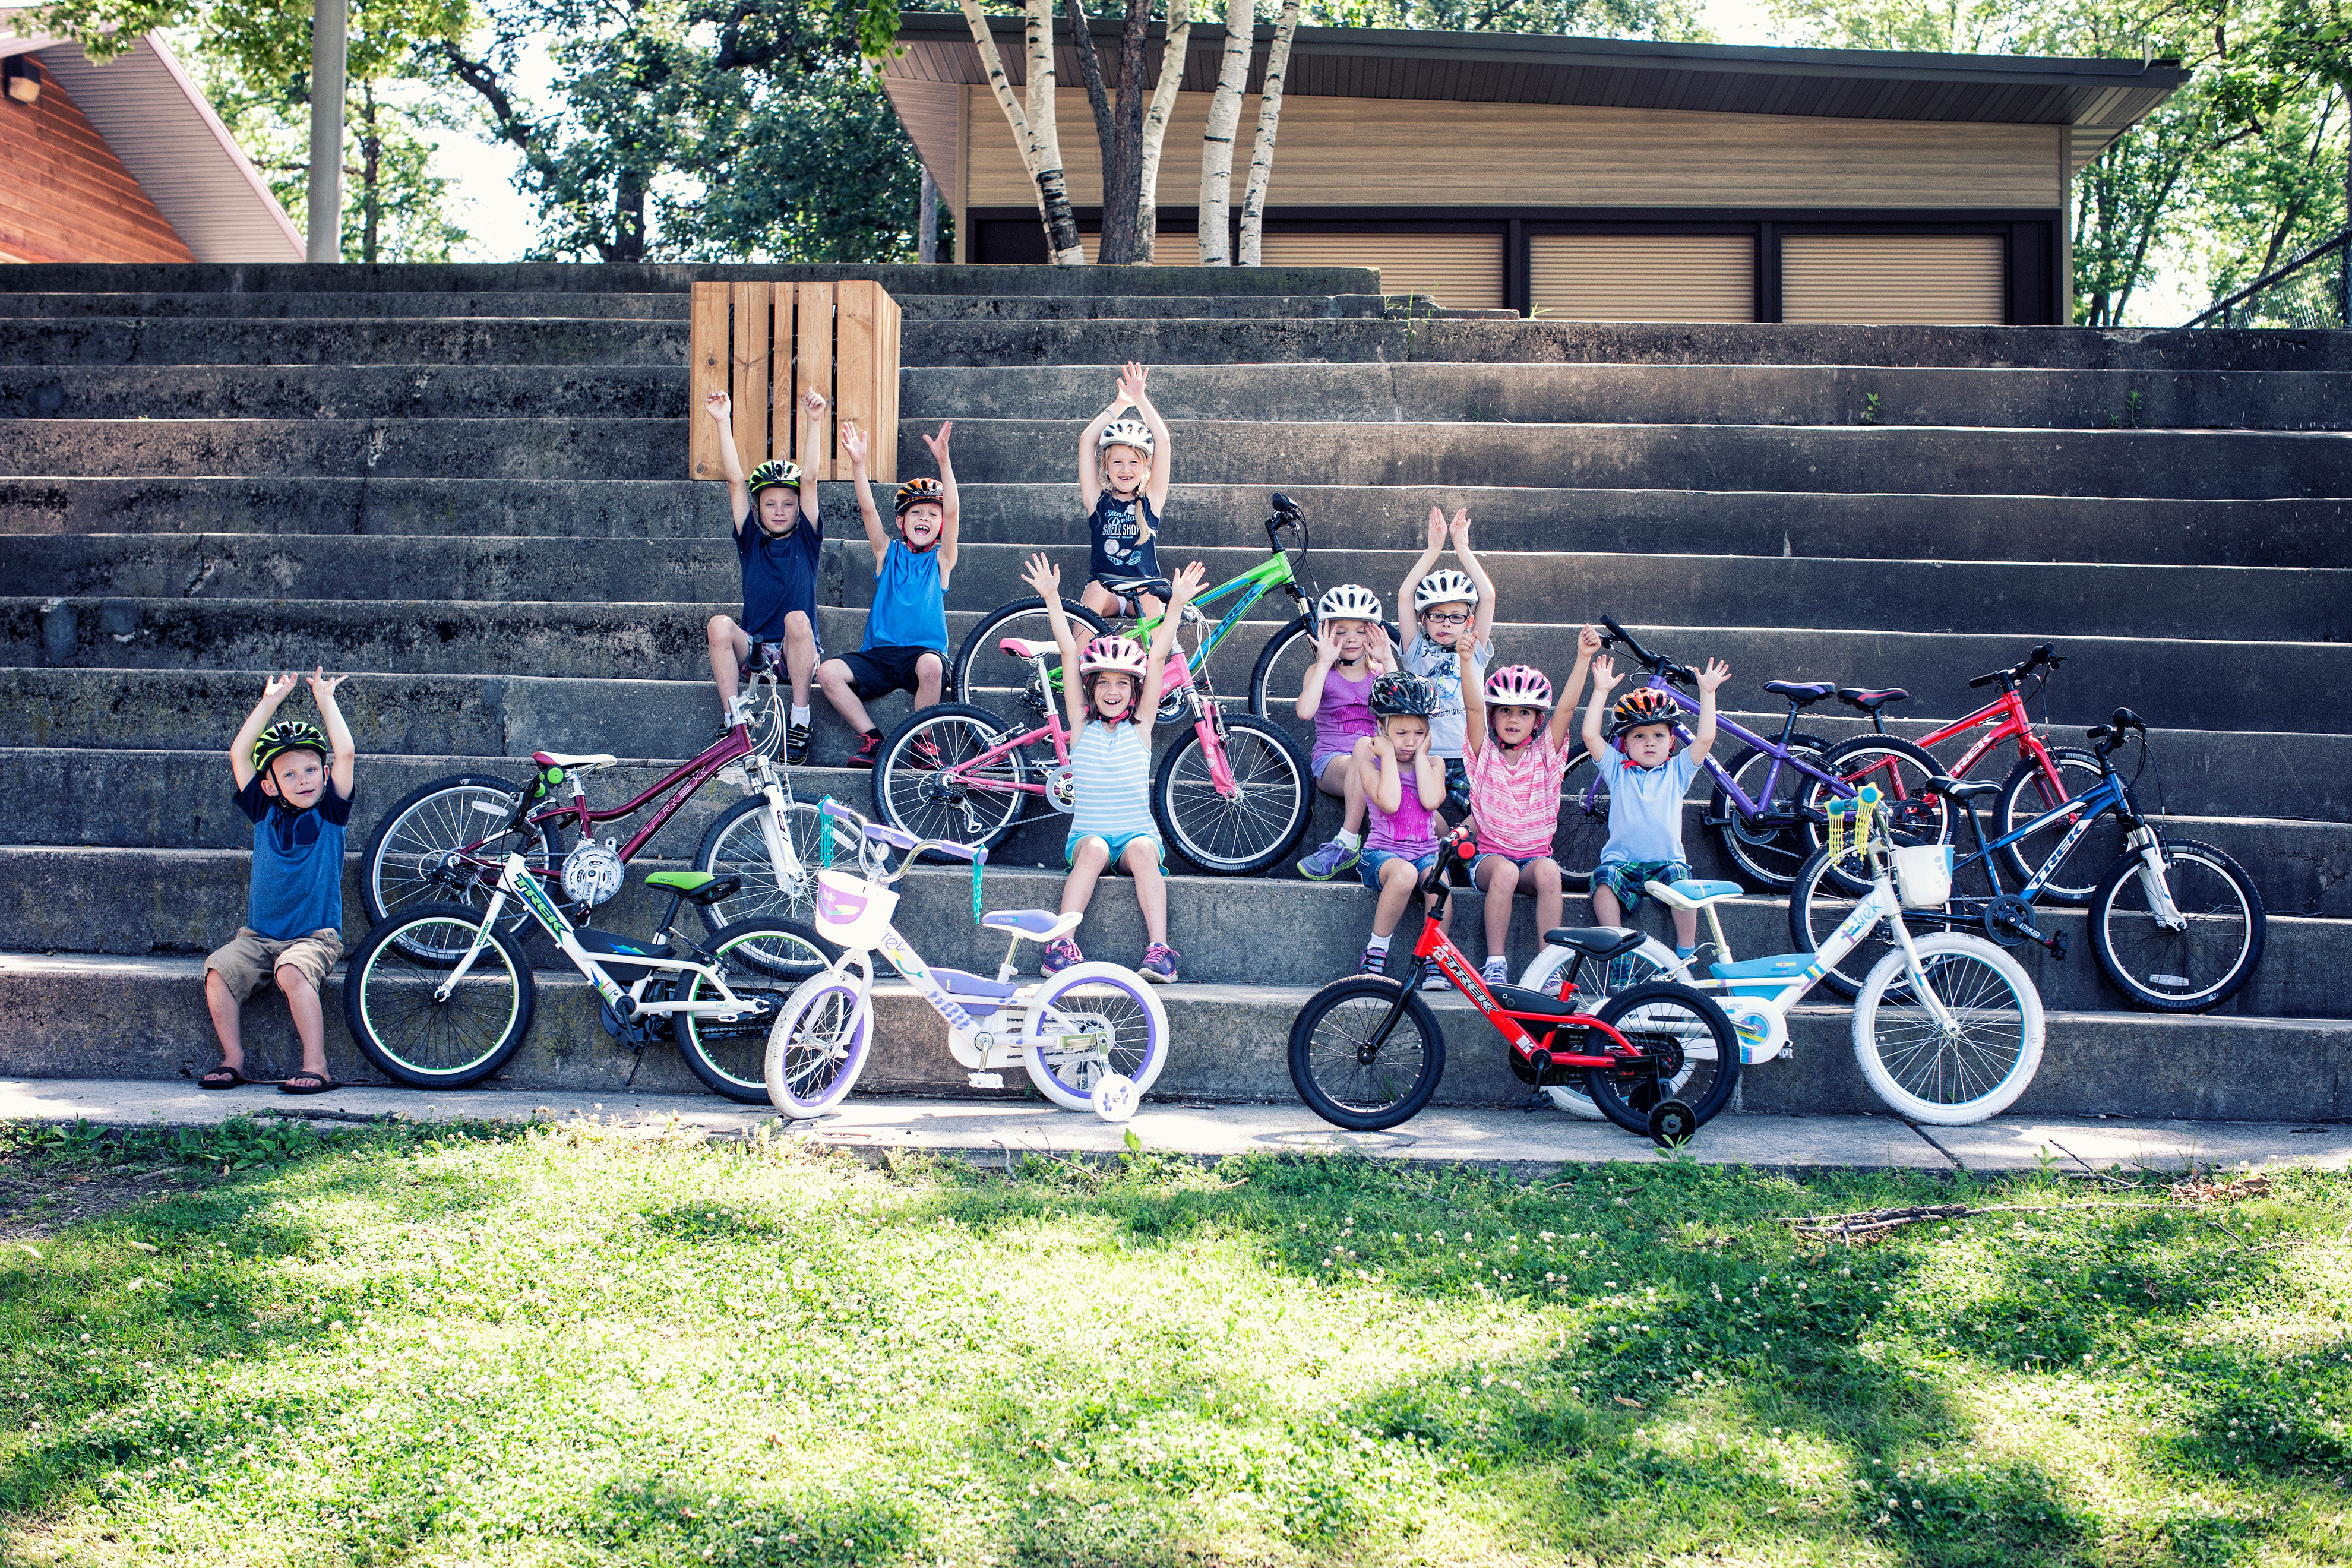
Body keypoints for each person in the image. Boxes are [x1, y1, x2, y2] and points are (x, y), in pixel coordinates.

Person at [1020, 551, 1206, 984]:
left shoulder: (1141, 727)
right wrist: (1052, 598)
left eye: (1122, 682)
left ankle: (1160, 950)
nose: (1112, 690)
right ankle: (1062, 944)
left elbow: (1157, 659)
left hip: (1135, 833)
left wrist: (1175, 605)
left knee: (1143, 850)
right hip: (1089, 835)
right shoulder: (1081, 726)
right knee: (1096, 851)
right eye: (1103, 681)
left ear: (1135, 691)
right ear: (1090, 688)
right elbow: (1070, 652)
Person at [201, 668, 357, 1095]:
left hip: (314, 938)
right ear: (269, 785)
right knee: (218, 969)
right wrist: (270, 701)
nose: (303, 779)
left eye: (310, 769)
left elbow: (345, 755)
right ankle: (234, 1059)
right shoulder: (264, 811)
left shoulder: (330, 814)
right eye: (289, 775)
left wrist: (325, 699)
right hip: (257, 938)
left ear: (324, 775)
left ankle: (316, 1065)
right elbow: (239, 754)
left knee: (291, 971)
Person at [1458, 629, 1601, 989]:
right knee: (1505, 872)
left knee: (1551, 872)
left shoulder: (1547, 756)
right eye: (1505, 710)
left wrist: (1583, 657)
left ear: (1537, 721)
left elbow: (1567, 708)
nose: (1513, 718)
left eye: (1524, 712)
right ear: (1494, 718)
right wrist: (1465, 661)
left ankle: (1549, 966)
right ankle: (1495, 963)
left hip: (1534, 860)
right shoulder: (1484, 756)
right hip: (1490, 861)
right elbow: (1474, 706)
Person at [815, 417, 960, 768]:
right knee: (827, 673)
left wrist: (944, 461)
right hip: (878, 657)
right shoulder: (888, 553)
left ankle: (922, 741)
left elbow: (954, 511)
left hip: (921, 656)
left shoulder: (942, 560)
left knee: (931, 665)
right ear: (901, 522)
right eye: (916, 513)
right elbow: (867, 509)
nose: (924, 518)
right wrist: (859, 464)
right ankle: (874, 740)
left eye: (932, 514)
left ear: (940, 524)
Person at [703, 387, 825, 764]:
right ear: (758, 509)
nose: (779, 510)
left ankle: (799, 721)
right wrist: (723, 422)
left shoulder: (807, 539)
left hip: (796, 652)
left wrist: (814, 422)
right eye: (770, 504)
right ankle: (733, 720)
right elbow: (736, 483)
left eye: (787, 504)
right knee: (719, 625)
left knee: (797, 618)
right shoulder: (751, 541)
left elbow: (809, 482)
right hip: (754, 651)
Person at [1582, 651, 1731, 961]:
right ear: (1625, 744)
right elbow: (1589, 735)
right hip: (1622, 864)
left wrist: (1708, 693)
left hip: (1666, 863)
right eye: (1639, 736)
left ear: (1672, 742)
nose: (1650, 742)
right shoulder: (1617, 768)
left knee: (1684, 886)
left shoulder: (1678, 771)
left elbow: (1705, 739)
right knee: (1602, 882)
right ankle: (1617, 948)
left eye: (1658, 735)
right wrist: (1600, 691)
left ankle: (1685, 953)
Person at [1396, 505, 1496, 828]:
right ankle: (1443, 851)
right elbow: (1404, 596)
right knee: (1419, 807)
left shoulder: (1474, 649)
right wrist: (1433, 550)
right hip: (1426, 755)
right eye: (1436, 616)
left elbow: (1488, 597)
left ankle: (1460, 846)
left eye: (1455, 617)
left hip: (1469, 755)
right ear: (1423, 619)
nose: (1445, 624)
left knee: (1492, 809)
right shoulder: (1416, 652)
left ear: (1468, 621)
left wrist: (1462, 548)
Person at [1293, 584, 1396, 881]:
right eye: (1341, 631)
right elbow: (1305, 712)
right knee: (1364, 749)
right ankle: (1347, 842)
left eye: (1361, 630)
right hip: (1333, 763)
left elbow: (1401, 709)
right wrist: (1324, 662)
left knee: (1414, 793)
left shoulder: (1380, 672)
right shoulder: (1320, 671)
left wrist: (1388, 660)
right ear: (1326, 633)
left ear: (1373, 633)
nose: (1351, 639)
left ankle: (1451, 848)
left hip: (1379, 762)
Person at [1354, 675, 1452, 985]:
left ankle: (1438, 959)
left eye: (1420, 733)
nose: (1411, 741)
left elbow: (1432, 799)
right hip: (1380, 856)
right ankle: (1376, 953)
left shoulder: (1434, 763)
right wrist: (1385, 755)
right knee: (1405, 874)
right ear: (1381, 730)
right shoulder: (1371, 766)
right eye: (1402, 733)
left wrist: (1422, 757)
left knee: (1440, 884)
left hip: (1424, 852)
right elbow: (1391, 803)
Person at [1076, 361, 1172, 622]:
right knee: (1094, 591)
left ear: (1145, 467)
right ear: (1106, 466)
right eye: (1117, 462)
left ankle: (1158, 662)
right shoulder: (1097, 501)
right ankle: (1076, 663)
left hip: (1142, 592)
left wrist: (1140, 399)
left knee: (1153, 596)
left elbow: (1163, 441)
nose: (1125, 469)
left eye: (1133, 463)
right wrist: (1120, 404)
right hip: (1105, 590)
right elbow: (1087, 440)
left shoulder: (1150, 501)